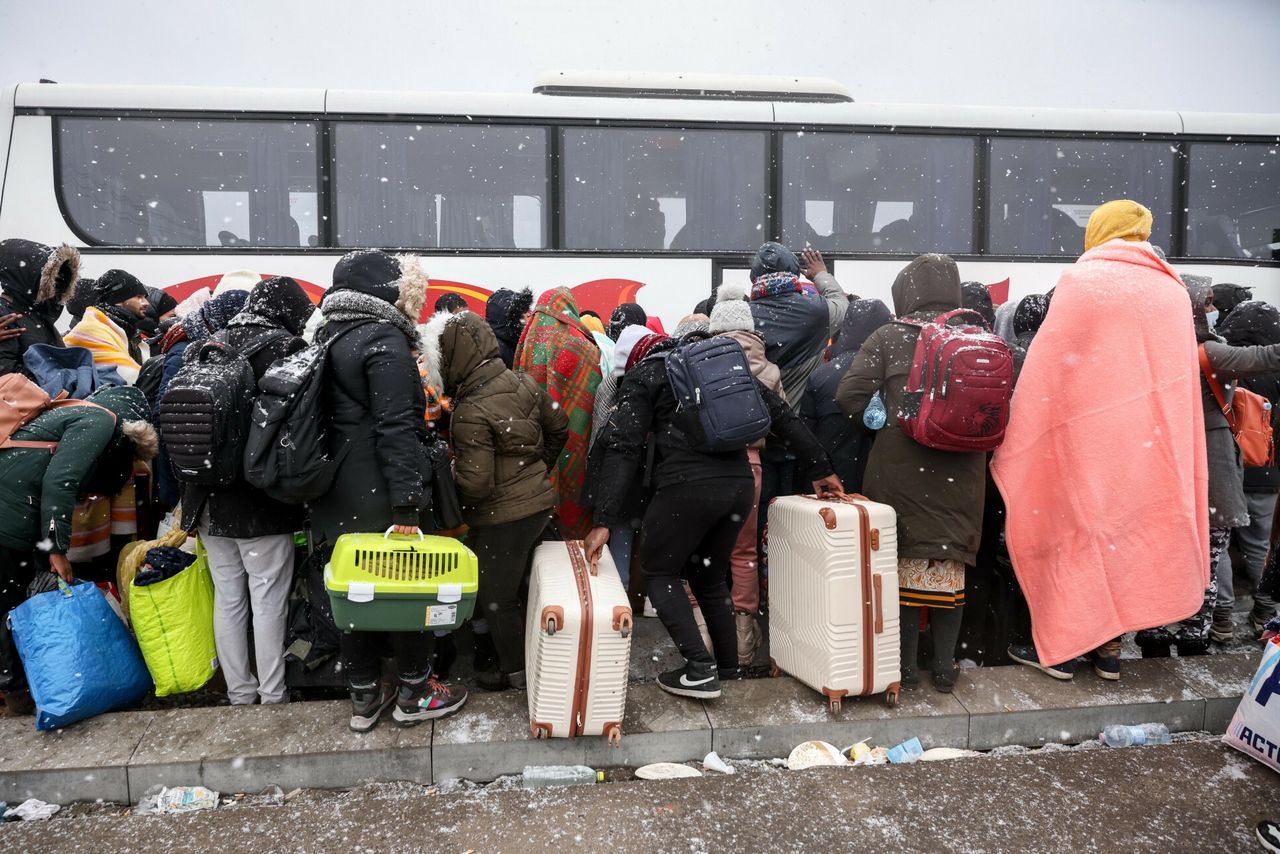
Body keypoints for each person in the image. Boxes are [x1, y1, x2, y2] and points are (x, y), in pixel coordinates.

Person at [992, 200, 1210, 680]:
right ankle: (1109, 650)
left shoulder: (1085, 283)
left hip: (1087, 440)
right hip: (1149, 446)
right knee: (1122, 538)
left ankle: (1064, 648)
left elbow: (1049, 371)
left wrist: (1029, 430)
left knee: (1074, 534)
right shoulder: (1172, 291)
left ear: (1098, 232)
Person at [586, 327, 841, 700]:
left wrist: (604, 520)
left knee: (659, 570)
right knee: (709, 578)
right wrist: (820, 467)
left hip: (685, 487)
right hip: (738, 486)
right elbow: (783, 416)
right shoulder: (721, 369)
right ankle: (727, 668)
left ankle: (699, 668)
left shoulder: (647, 373)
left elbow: (623, 446)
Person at [309, 249, 466, 731]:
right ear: (389, 290)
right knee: (405, 590)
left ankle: (363, 695)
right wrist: (408, 502)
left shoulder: (326, 335)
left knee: (355, 592)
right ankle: (415, 693)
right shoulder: (382, 338)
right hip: (378, 491)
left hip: (333, 491)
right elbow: (397, 429)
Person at [836, 254, 987, 693]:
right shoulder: (978, 337)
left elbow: (848, 395)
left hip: (901, 469)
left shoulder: (889, 337)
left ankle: (902, 668)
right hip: (964, 471)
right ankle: (943, 666)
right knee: (949, 562)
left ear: (906, 291)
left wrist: (885, 422)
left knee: (899, 568)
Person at [179, 277, 314, 706]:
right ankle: (273, 693)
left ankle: (240, 693)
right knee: (269, 600)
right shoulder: (287, 350)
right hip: (262, 499)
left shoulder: (204, 346)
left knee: (229, 599)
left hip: (207, 496)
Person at [421, 310, 567, 691]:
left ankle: (519, 676)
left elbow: (477, 483)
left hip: (502, 518)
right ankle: (549, 665)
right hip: (537, 508)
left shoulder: (470, 409)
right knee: (530, 591)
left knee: (498, 600)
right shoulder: (523, 384)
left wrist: (447, 482)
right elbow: (560, 425)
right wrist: (534, 471)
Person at [1135, 277, 1280, 658]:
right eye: (1210, 303)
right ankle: (1194, 632)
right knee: (1208, 558)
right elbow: (1265, 357)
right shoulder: (1209, 353)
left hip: (1163, 465)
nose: (1214, 311)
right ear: (1198, 308)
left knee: (1160, 553)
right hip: (1210, 469)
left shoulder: (1151, 349)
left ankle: (1153, 629)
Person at [0, 385, 158, 713]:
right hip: (9, 519)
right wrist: (57, 550)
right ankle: (22, 694)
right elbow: (61, 482)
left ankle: (31, 688)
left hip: (13, 512)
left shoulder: (73, 413)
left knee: (12, 603)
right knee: (8, 606)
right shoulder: (99, 422)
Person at [707, 284, 786, 665]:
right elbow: (781, 421)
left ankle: (705, 635)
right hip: (750, 464)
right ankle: (743, 637)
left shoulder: (702, 363)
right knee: (744, 552)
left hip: (709, 465)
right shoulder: (769, 369)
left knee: (701, 549)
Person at [1213, 300, 1280, 639]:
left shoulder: (1225, 365)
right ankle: (1264, 613)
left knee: (1220, 542)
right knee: (1260, 545)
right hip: (1267, 471)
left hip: (1226, 466)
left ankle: (1221, 618)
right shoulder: (1274, 371)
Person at [151, 289, 251, 512]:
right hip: (183, 462)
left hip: (191, 460)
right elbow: (164, 411)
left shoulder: (199, 343)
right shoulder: (185, 350)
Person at [514, 287, 601, 539]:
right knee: (573, 483)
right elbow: (592, 393)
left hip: (534, 443)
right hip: (575, 436)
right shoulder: (583, 345)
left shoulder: (528, 341)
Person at [802, 298, 892, 494]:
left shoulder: (821, 375)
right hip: (880, 480)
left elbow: (807, 434)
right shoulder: (891, 372)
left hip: (832, 480)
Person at [0, 239, 81, 377]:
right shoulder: (6, 314)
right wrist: (55, 381)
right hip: (33, 396)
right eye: (52, 277)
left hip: (51, 395)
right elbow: (6, 373)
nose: (57, 282)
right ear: (27, 276)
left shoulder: (38, 314)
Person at [64, 268, 151, 382]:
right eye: (139, 297)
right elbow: (126, 377)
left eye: (145, 297)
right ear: (118, 300)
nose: (146, 303)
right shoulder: (92, 329)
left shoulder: (129, 332)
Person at [484, 287, 532, 369]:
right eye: (522, 310)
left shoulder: (510, 343)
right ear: (509, 316)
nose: (528, 314)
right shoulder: (497, 351)